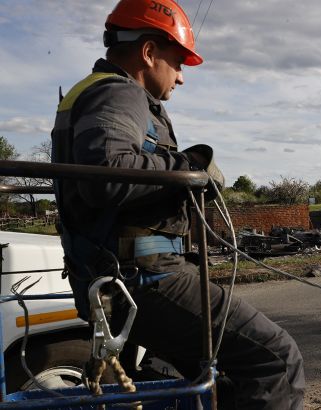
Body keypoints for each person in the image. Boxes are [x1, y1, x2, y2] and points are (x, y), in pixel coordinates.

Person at [50, 0, 305, 408]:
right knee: (277, 360)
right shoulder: (119, 93)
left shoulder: (95, 93)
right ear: (149, 53)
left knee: (221, 379)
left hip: (118, 277)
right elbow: (105, 173)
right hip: (143, 281)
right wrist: (189, 167)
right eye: (179, 62)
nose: (182, 78)